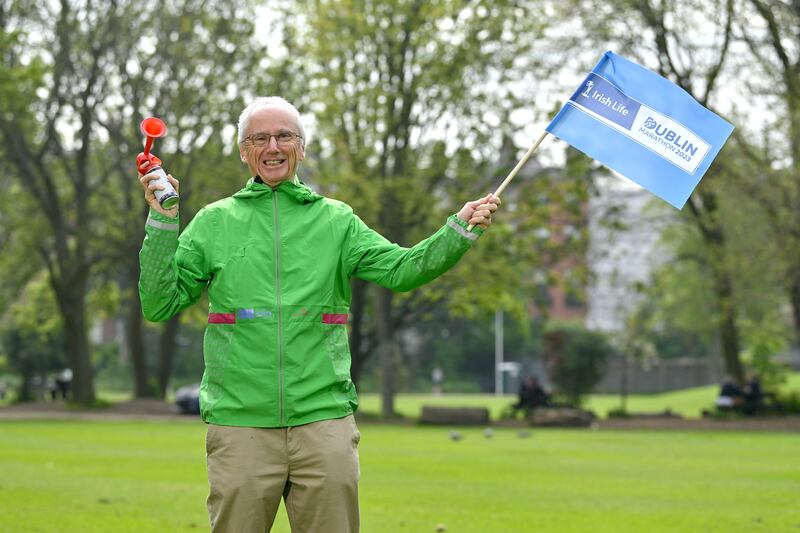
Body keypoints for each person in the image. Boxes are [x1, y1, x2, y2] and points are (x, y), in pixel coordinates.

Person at [137, 96, 500, 533]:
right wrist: (163, 220)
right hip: (239, 422)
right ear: (243, 151)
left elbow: (403, 270)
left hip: (323, 421)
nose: (273, 146)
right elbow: (159, 304)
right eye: (259, 138)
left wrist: (456, 230)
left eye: (284, 136)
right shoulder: (215, 221)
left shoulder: (337, 220)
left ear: (302, 148)